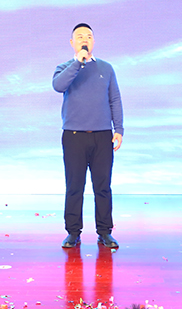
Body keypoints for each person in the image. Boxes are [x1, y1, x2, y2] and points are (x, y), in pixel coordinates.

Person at [53, 23, 124, 249]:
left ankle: (105, 232)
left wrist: (119, 129)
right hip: (74, 136)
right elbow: (58, 86)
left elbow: (114, 99)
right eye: (80, 36)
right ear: (72, 42)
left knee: (103, 186)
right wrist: (77, 62)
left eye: (89, 36)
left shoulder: (106, 68)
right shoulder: (65, 67)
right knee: (74, 186)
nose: (85, 39)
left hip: (102, 135)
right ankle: (73, 232)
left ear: (94, 41)